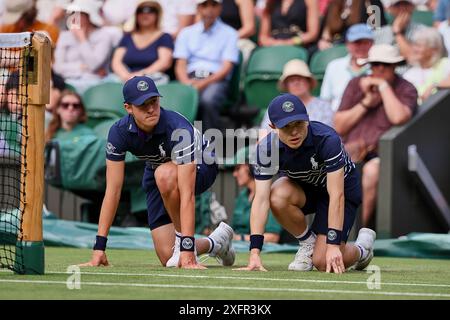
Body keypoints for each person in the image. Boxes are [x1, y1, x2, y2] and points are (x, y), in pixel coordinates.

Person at [80, 76, 235, 269]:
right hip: (157, 170)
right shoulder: (118, 132)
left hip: (203, 163)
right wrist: (99, 248)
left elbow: (187, 195)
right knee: (167, 257)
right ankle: (217, 242)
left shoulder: (178, 128)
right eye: (142, 105)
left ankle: (184, 244)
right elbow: (113, 191)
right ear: (128, 108)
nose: (151, 109)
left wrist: (187, 251)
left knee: (164, 174)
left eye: (153, 101)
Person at [236, 93, 376, 273]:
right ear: (273, 127)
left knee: (324, 263)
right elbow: (261, 200)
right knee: (276, 193)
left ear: (307, 120)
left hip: (341, 191)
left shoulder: (327, 139)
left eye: (298, 124)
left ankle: (362, 250)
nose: (294, 132)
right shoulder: (266, 149)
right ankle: (308, 243)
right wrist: (254, 252)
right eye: (286, 127)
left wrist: (333, 247)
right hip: (306, 189)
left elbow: (336, 195)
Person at [334, 44, 418, 228]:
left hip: (387, 157)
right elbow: (339, 125)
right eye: (375, 64)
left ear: (395, 66)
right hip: (351, 151)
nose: (379, 68)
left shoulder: (406, 88)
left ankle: (350, 230)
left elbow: (399, 117)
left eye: (385, 65)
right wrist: (366, 102)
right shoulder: (355, 84)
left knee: (372, 170)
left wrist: (383, 87)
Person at [174, 0, 239, 131]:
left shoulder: (230, 33)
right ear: (198, 8)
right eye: (204, 5)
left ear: (220, 8)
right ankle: (177, 145)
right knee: (176, 100)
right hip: (190, 78)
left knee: (208, 100)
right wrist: (187, 83)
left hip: (215, 80)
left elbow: (226, 68)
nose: (209, 10)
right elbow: (180, 64)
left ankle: (209, 146)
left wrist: (203, 83)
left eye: (213, 5)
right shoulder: (186, 33)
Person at [53, 0, 121, 94]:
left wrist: (82, 39)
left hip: (95, 86)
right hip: (67, 85)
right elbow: (57, 67)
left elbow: (93, 65)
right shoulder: (65, 36)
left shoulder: (104, 35)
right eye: (72, 13)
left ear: (89, 16)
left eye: (79, 13)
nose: (73, 17)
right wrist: (82, 67)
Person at [229, 146, 282, 243]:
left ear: (251, 166)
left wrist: (240, 239)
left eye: (238, 168)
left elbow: (272, 237)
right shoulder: (242, 196)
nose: (234, 174)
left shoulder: (271, 195)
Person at [261, 59, 334, 129]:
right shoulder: (275, 107)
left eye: (300, 79)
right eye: (292, 80)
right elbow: (265, 135)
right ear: (286, 85)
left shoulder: (324, 106)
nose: (296, 83)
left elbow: (328, 136)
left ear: (308, 82)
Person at [112, 1, 173, 83]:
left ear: (157, 15)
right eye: (140, 11)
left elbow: (164, 62)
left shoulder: (164, 37)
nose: (145, 15)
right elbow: (116, 62)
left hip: (153, 78)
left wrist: (140, 74)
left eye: (151, 11)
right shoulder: (127, 37)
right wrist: (125, 76)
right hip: (125, 78)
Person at [321, 23, 374, 112]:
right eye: (357, 42)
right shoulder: (334, 66)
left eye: (365, 42)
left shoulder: (380, 67)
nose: (361, 46)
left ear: (372, 44)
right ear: (347, 44)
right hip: (336, 118)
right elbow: (325, 100)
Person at [403, 27, 450, 103]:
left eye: (419, 46)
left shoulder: (446, 64)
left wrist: (435, 87)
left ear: (434, 49)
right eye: (414, 45)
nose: (415, 49)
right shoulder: (409, 74)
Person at [318, 0, 386, 51]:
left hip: (362, 47)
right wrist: (324, 42)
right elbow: (325, 33)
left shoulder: (371, 2)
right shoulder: (334, 4)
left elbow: (379, 30)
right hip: (335, 47)